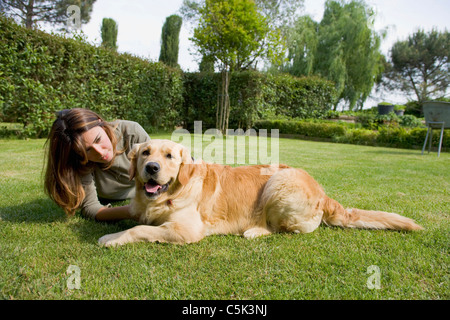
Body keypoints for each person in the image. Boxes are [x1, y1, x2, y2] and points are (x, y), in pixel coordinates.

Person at [44, 108, 150, 221]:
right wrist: (130, 211)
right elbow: (90, 208)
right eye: (88, 150)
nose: (100, 152)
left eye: (98, 139)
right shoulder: (79, 161)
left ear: (102, 124)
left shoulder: (132, 132)